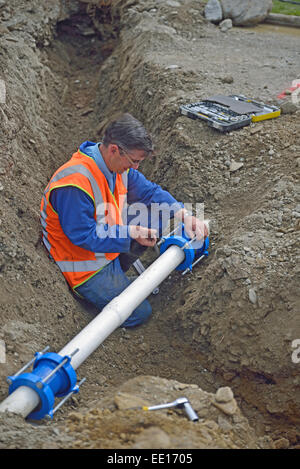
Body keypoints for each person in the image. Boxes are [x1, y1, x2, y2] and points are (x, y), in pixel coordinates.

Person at [41, 113, 208, 327]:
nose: (136, 167)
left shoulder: (115, 165)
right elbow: (83, 236)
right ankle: (91, 295)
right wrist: (129, 233)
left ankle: (117, 269)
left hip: (105, 239)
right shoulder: (74, 185)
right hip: (83, 264)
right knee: (139, 312)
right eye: (134, 161)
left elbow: (149, 192)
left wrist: (185, 215)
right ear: (114, 150)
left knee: (159, 213)